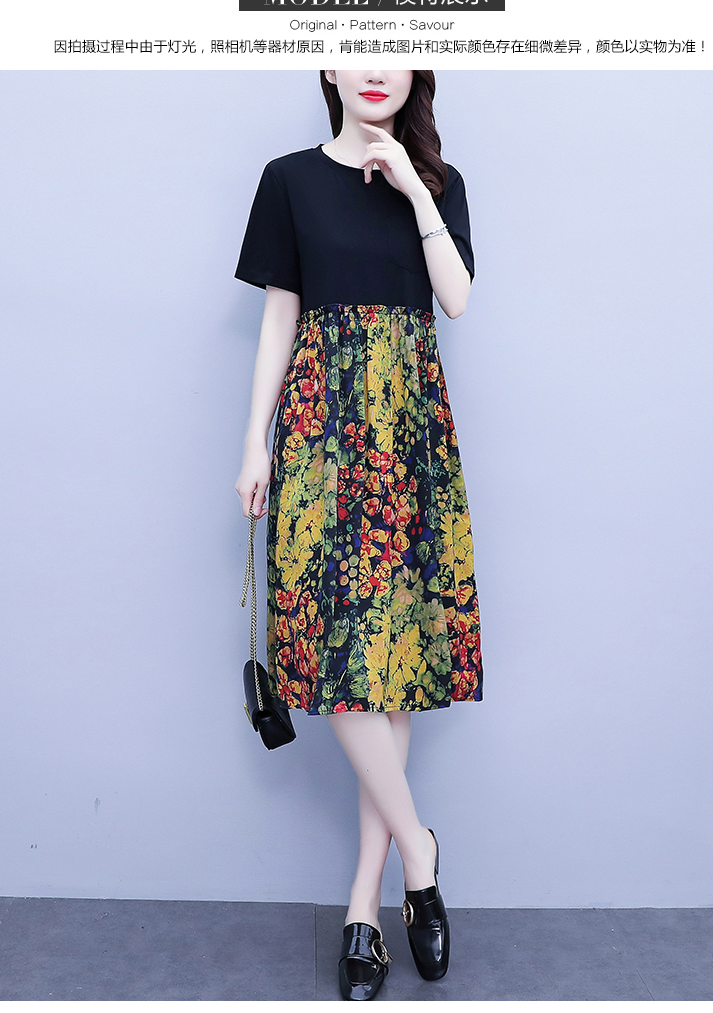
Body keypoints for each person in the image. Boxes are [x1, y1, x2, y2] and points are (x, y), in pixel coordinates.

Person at [234, 70, 482, 1001]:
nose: (377, 66)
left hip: (407, 431)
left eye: (395, 49)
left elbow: (456, 299)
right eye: (358, 47)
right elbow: (279, 317)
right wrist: (255, 442)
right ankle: (421, 853)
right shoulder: (289, 179)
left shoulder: (440, 183)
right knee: (339, 654)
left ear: (415, 72)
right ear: (330, 69)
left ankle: (362, 913)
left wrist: (415, 189)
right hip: (321, 429)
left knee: (394, 664)